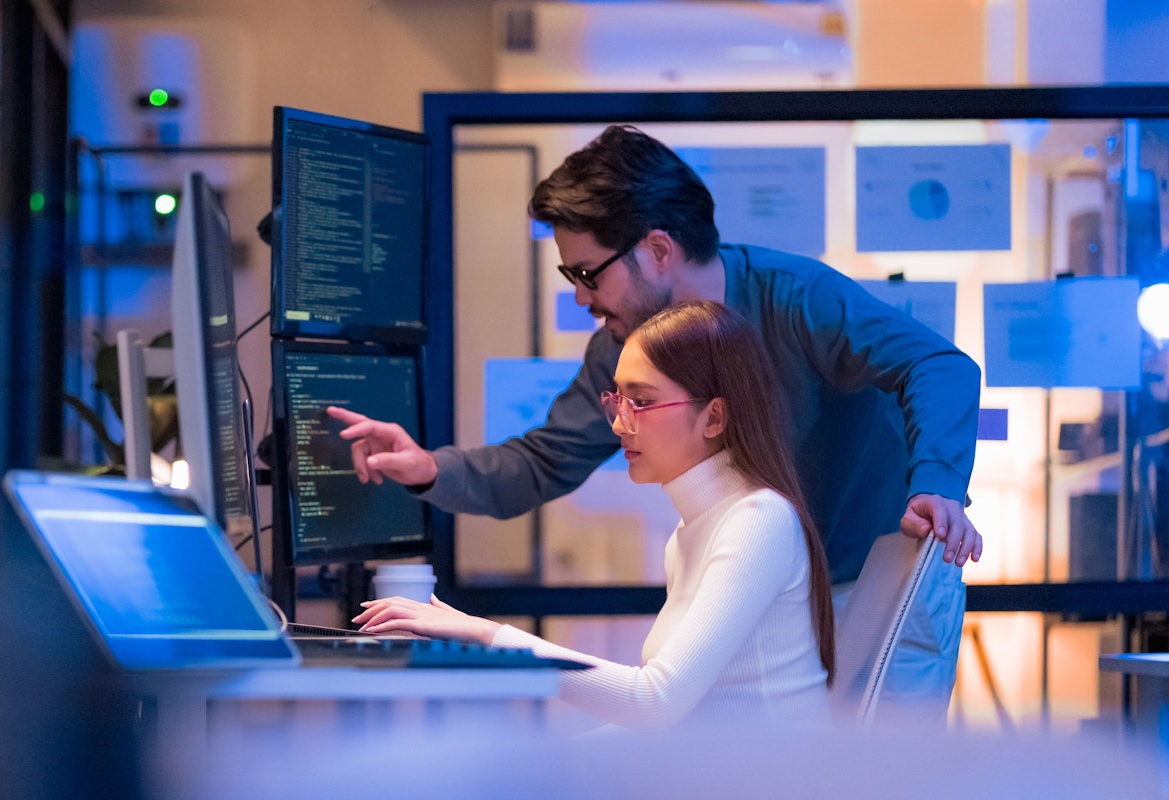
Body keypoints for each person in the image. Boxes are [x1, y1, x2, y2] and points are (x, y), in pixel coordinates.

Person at [330, 124, 982, 721]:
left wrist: (937, 485)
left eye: (587, 274)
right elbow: (545, 460)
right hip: (780, 596)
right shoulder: (624, 348)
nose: (580, 297)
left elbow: (937, 365)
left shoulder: (797, 300)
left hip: (872, 574)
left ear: (659, 250)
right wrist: (430, 468)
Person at [355, 301, 833, 730]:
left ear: (713, 417)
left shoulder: (756, 521)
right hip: (715, 788)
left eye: (641, 402)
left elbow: (653, 703)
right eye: (617, 400)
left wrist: (484, 633)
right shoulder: (696, 530)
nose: (620, 424)